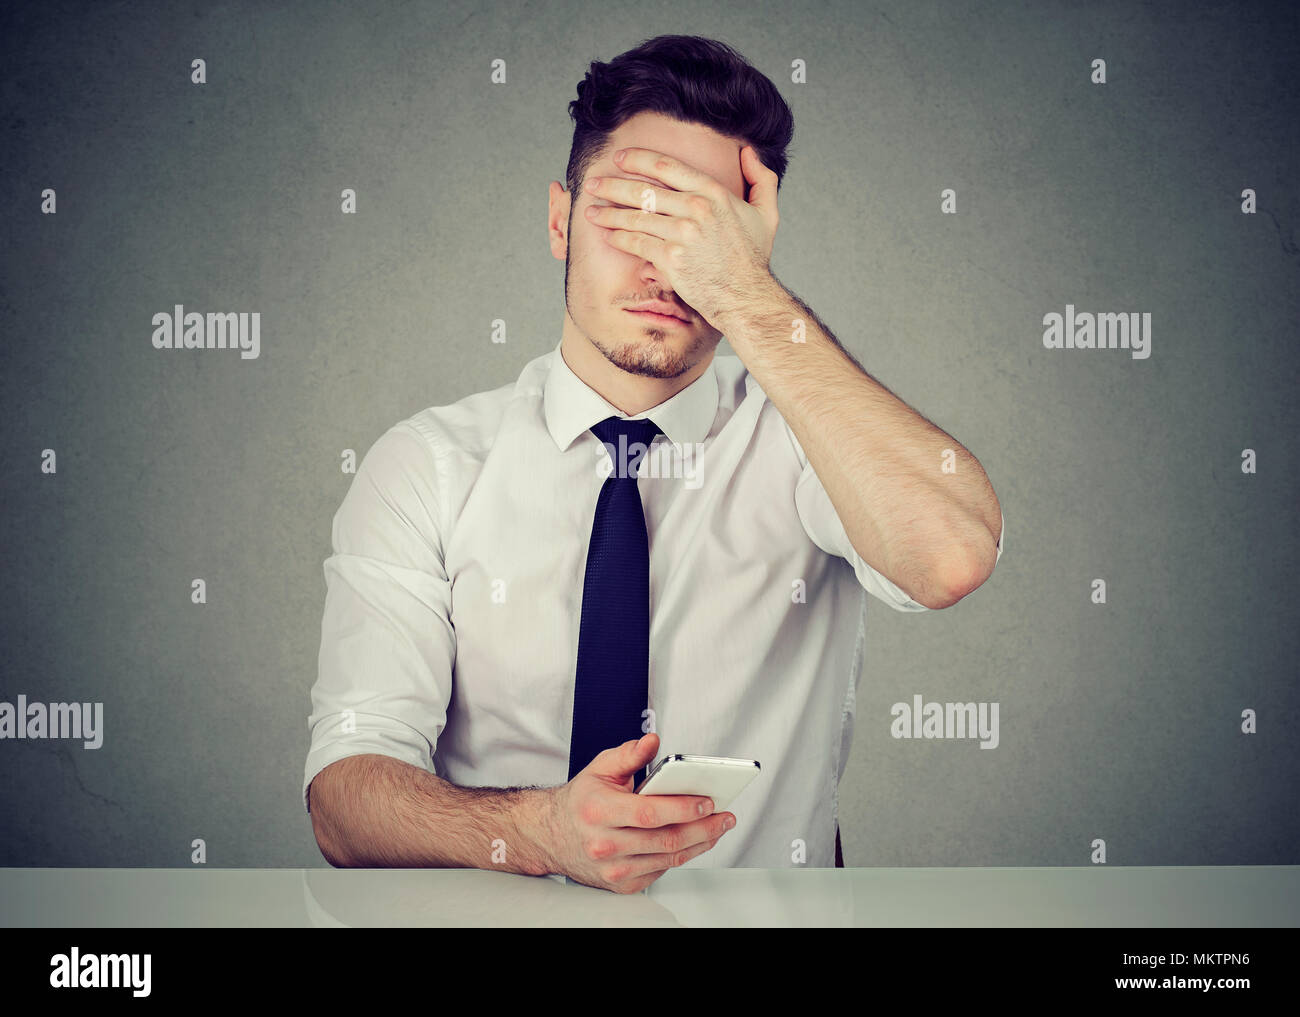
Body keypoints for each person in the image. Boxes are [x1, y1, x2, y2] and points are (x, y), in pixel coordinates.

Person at [303, 35, 1004, 894]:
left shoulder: (803, 440)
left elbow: (952, 556)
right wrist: (538, 831)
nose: (664, 262)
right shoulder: (429, 466)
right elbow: (345, 797)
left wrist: (746, 293)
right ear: (560, 220)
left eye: (700, 227)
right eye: (631, 210)